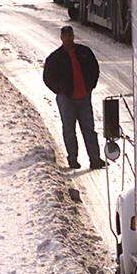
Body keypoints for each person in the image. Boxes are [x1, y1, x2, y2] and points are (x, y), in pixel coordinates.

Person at [42, 26, 106, 170]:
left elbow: (94, 69)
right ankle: (73, 159)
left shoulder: (84, 52)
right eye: (65, 36)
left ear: (73, 36)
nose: (68, 39)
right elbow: (47, 78)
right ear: (61, 38)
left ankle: (95, 159)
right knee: (69, 130)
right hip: (66, 100)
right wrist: (60, 91)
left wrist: (90, 87)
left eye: (70, 36)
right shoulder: (55, 58)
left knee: (89, 129)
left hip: (84, 98)